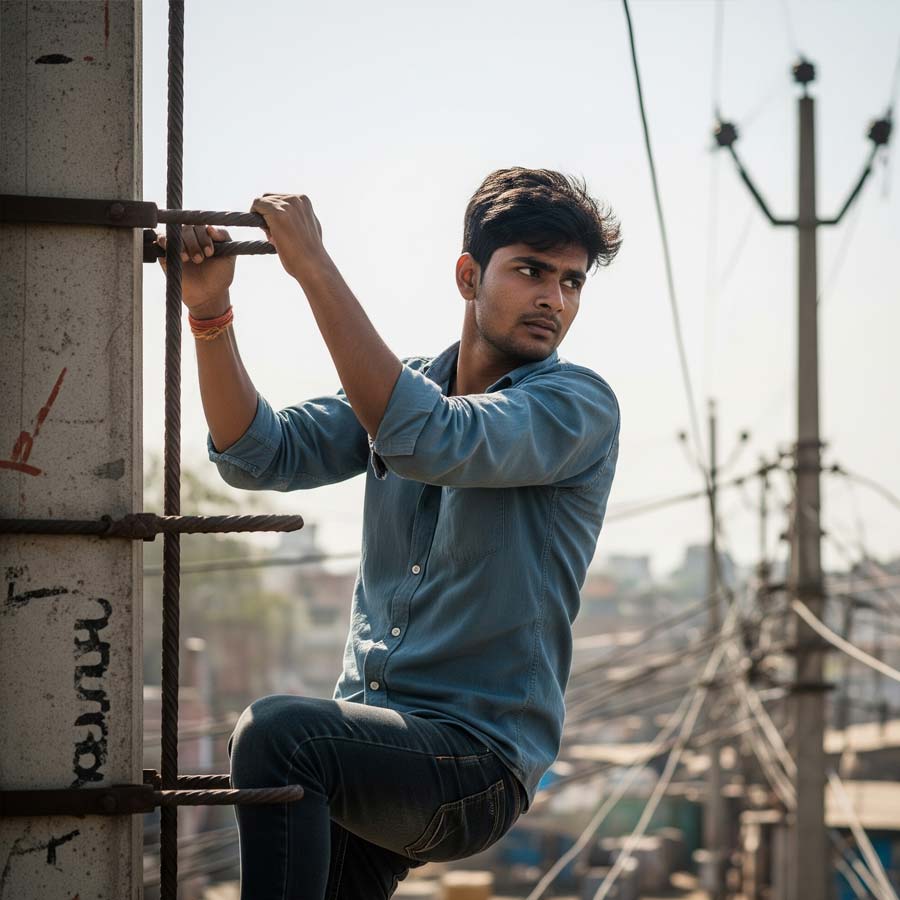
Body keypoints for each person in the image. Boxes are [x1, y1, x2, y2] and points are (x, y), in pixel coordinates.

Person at [158, 167, 622, 899]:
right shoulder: (406, 385)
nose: (552, 299)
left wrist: (312, 265)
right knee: (306, 758)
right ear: (469, 275)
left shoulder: (575, 407)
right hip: (372, 746)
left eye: (571, 282)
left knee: (282, 738)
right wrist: (210, 313)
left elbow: (426, 437)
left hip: (475, 766)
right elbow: (258, 455)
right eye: (531, 271)